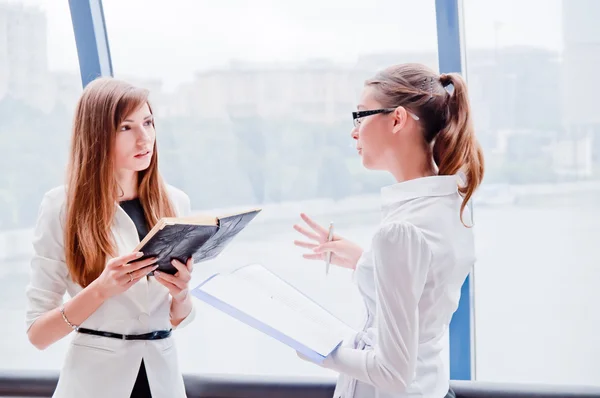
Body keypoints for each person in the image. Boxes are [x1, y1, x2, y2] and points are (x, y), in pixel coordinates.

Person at [293, 63, 484, 398]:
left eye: (361, 116)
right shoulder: (451, 204)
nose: (354, 132)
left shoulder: (400, 231)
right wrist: (365, 262)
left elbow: (392, 374)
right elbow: (426, 292)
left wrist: (316, 347)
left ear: (397, 119)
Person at [25, 77, 196, 398]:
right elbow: (38, 334)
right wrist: (101, 289)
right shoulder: (61, 207)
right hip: (93, 383)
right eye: (126, 128)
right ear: (97, 135)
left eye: (148, 122)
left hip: (164, 381)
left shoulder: (176, 203)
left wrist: (182, 293)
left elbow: (177, 318)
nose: (144, 138)